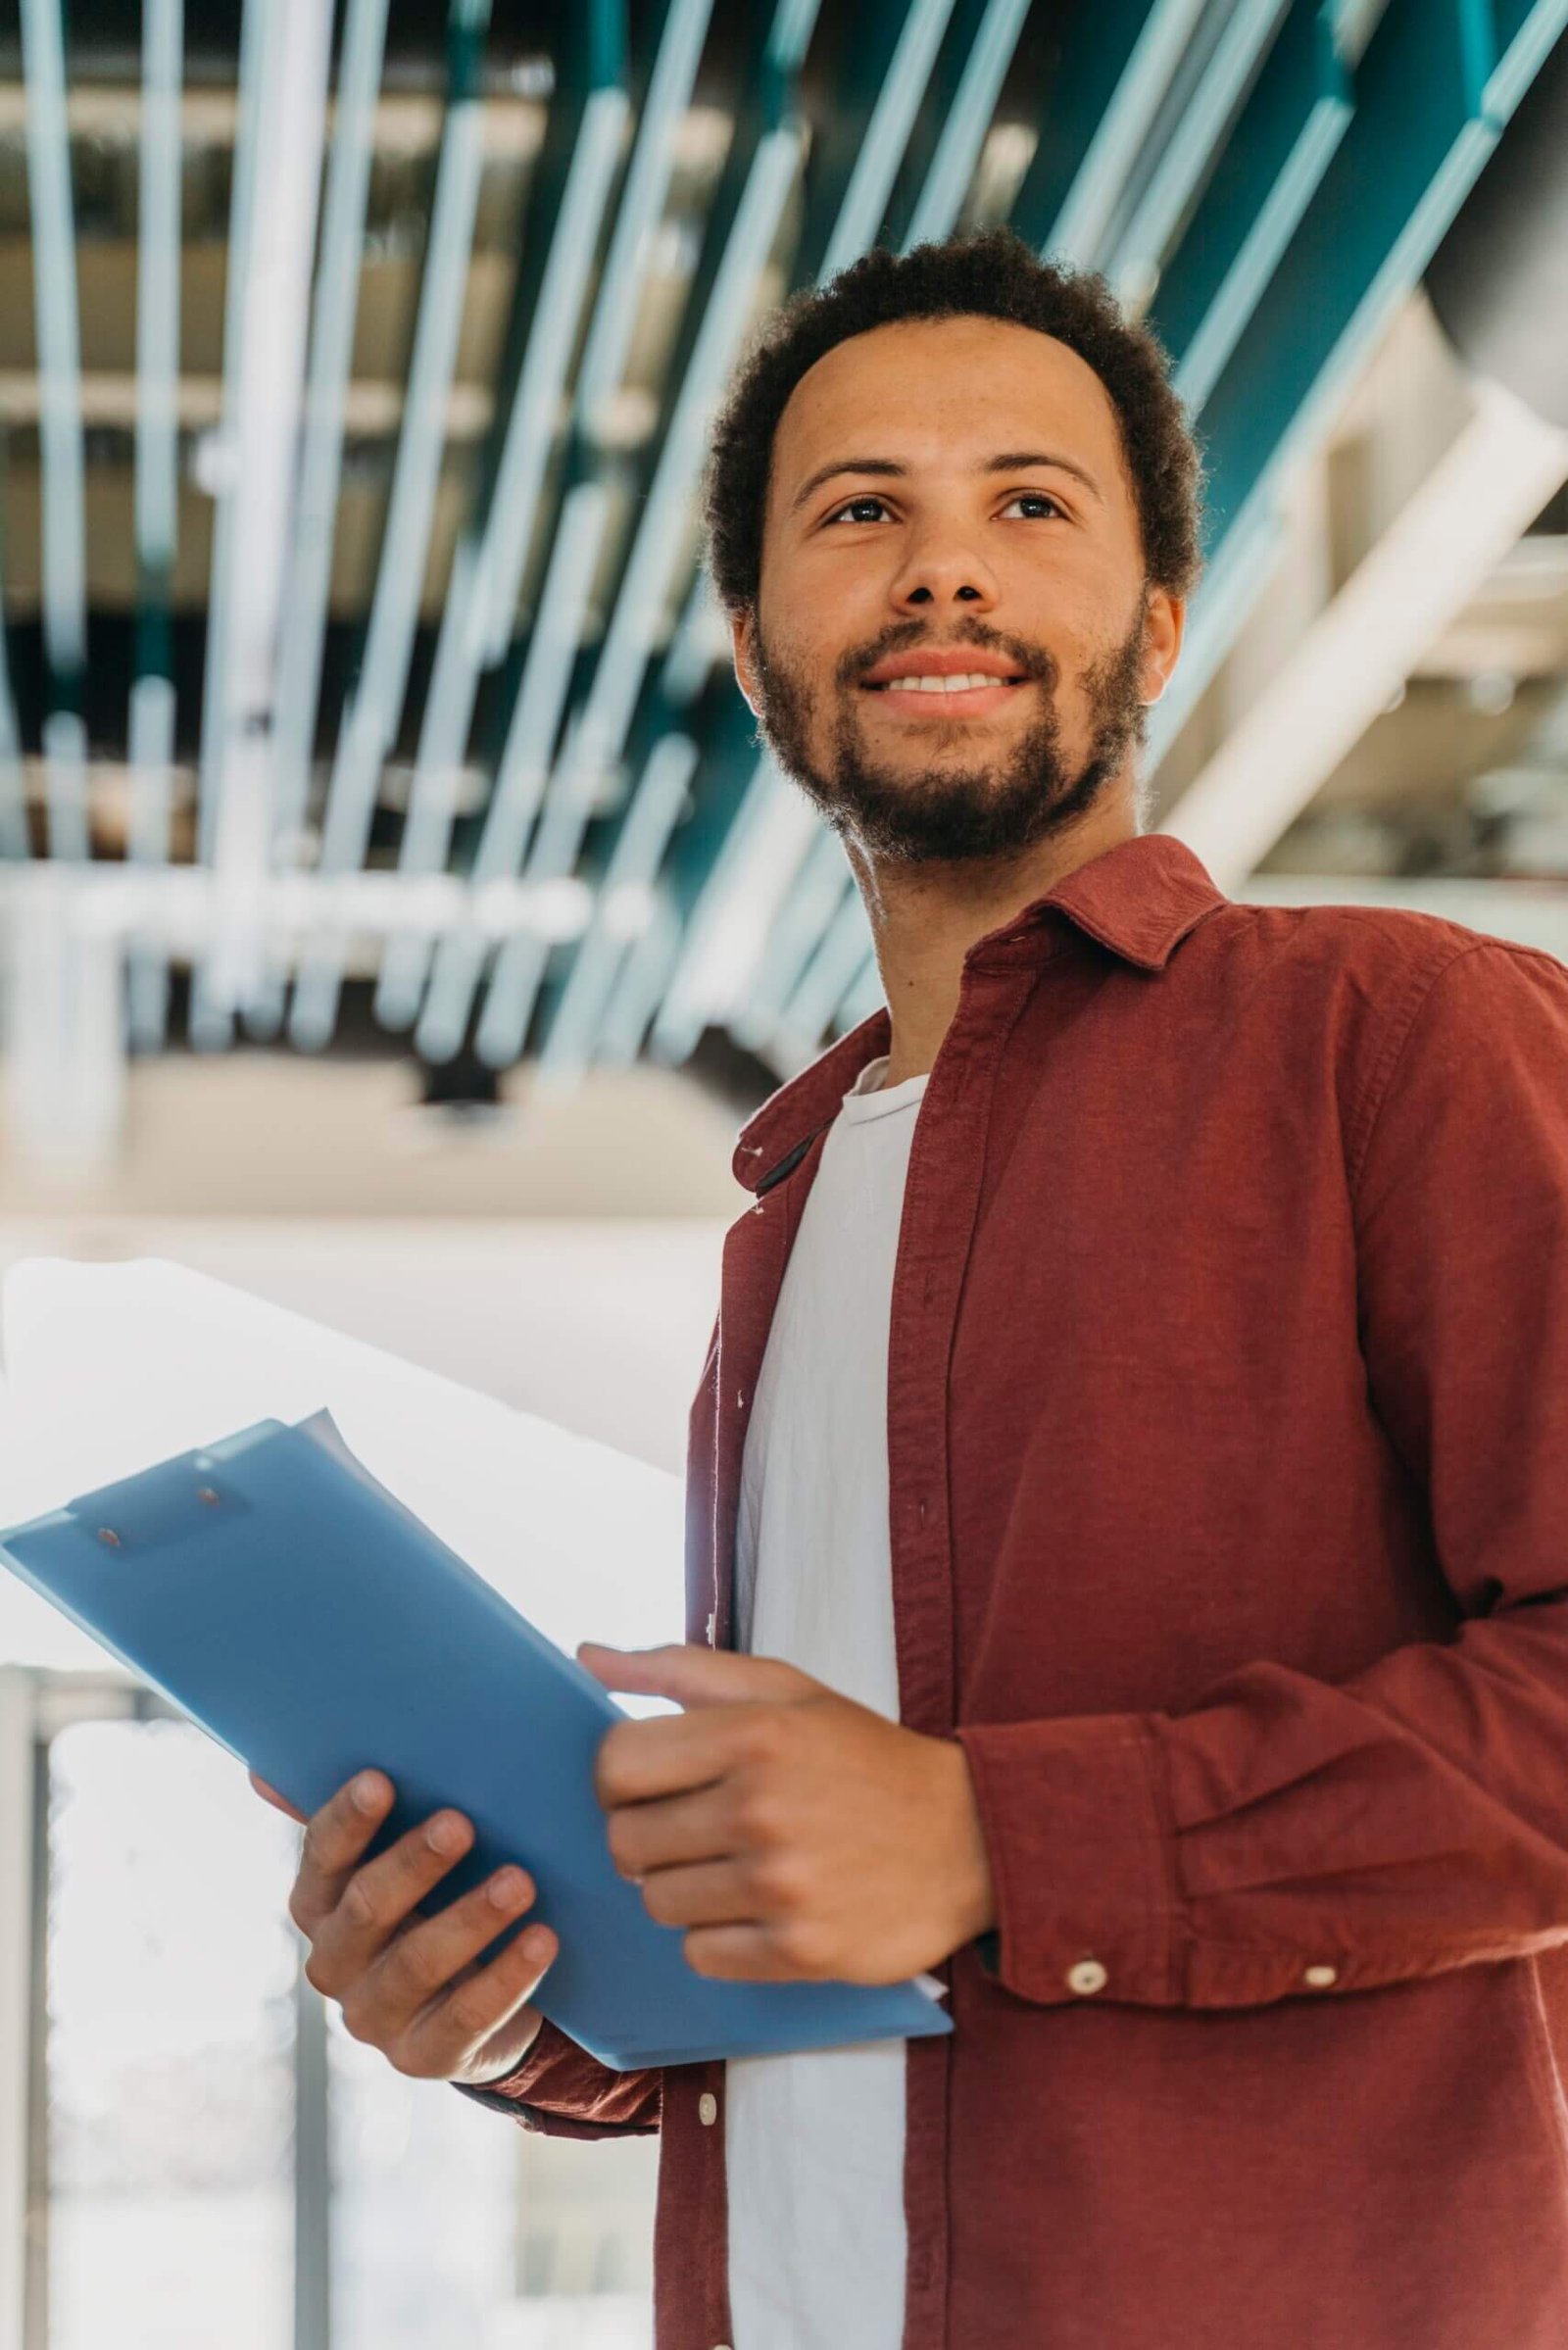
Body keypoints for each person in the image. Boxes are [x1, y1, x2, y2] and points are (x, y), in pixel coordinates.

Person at [253, 229, 1568, 2348]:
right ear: (760, 642)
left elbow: (960, 1867)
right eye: (860, 511)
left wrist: (993, 1831)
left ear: (1151, 623)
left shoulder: (1398, 1037)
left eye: (1024, 504)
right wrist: (510, 2003)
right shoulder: (786, 1210)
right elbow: (845, 1970)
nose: (942, 569)